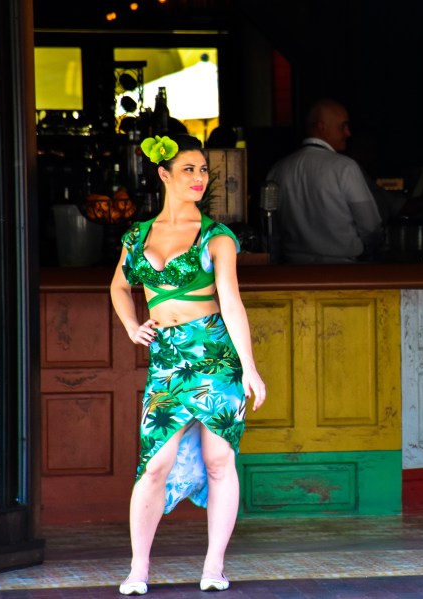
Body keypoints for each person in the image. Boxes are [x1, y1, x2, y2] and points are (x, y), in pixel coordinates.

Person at [110, 133, 266, 595]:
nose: (199, 178)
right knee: (153, 465)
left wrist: (251, 367)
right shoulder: (137, 235)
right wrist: (131, 326)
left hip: (216, 355)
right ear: (163, 175)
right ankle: (138, 569)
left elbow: (232, 303)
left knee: (220, 460)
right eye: (188, 170)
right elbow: (119, 286)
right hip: (168, 361)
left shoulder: (217, 237)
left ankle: (214, 567)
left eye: (203, 171)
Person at [265, 98, 383, 263]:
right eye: (343, 126)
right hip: (343, 270)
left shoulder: (278, 170)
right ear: (322, 127)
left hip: (293, 271)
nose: (348, 133)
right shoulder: (345, 167)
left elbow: (272, 231)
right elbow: (371, 226)